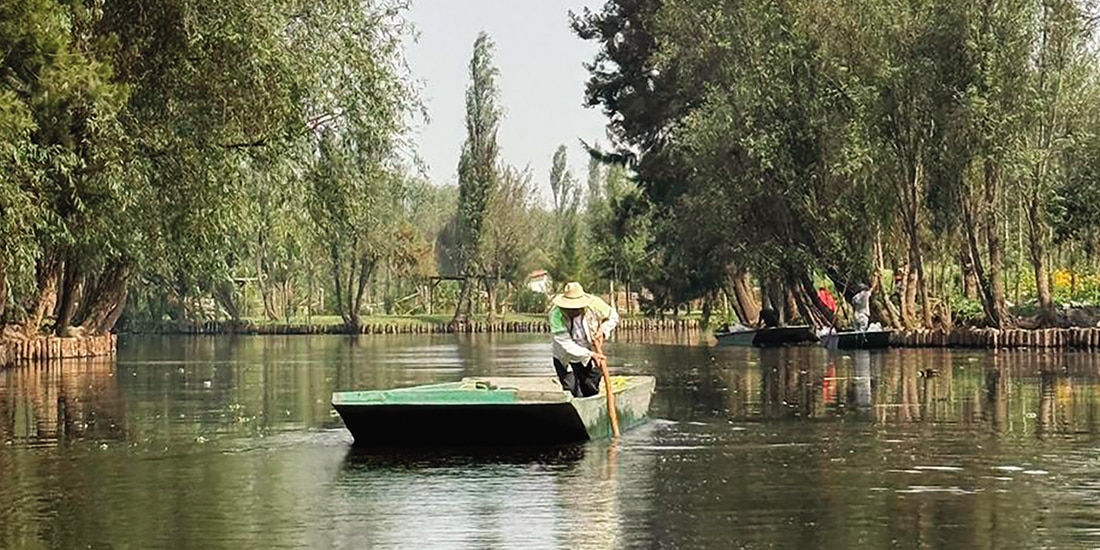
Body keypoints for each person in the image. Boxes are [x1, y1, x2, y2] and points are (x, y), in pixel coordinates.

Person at [549, 281, 620, 397]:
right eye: (569, 308)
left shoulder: (594, 304)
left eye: (576, 307)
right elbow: (566, 344)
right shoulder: (555, 315)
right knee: (571, 390)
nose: (573, 311)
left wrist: (603, 330)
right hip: (565, 356)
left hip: (587, 351)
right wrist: (591, 355)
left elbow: (613, 317)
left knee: (590, 388)